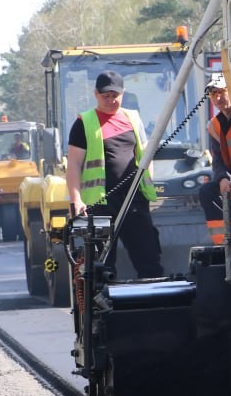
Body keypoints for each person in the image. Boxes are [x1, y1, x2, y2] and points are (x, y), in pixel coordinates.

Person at [65, 70, 164, 278]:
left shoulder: (133, 118)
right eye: (105, 96)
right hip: (100, 205)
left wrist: (145, 186)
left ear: (123, 94)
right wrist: (76, 200)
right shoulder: (84, 123)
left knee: (148, 259)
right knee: (102, 266)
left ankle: (154, 305)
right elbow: (73, 164)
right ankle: (103, 306)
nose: (111, 100)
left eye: (115, 95)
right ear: (96, 95)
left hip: (133, 201)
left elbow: (145, 155)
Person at [198, 73, 231, 247]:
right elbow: (217, 158)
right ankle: (226, 243)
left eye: (221, 92)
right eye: (213, 94)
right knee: (207, 192)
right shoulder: (214, 125)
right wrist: (223, 179)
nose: (218, 98)